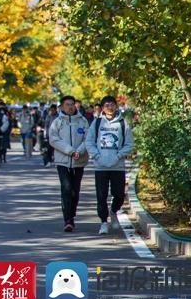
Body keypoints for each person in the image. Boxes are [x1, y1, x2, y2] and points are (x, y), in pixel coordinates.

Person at [86, 95, 134, 235]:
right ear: (102, 108)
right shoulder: (96, 123)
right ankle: (103, 222)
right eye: (106, 105)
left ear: (116, 106)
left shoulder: (123, 123)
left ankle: (113, 212)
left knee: (119, 195)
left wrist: (119, 156)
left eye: (112, 104)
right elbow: (89, 142)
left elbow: (129, 144)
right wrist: (97, 156)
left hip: (117, 166)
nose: (110, 107)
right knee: (101, 195)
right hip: (100, 166)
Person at [48, 96, 89, 232]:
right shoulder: (57, 122)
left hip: (79, 160)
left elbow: (88, 139)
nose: (70, 107)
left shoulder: (82, 121)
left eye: (72, 104)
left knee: (75, 191)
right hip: (63, 161)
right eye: (67, 105)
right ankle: (68, 219)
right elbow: (54, 140)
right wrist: (70, 151)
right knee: (66, 189)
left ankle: (72, 214)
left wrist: (79, 151)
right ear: (62, 107)